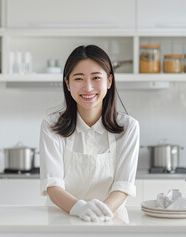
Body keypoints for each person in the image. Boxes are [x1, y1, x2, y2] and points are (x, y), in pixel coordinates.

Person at [39, 45, 140, 222]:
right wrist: (79, 209)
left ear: (109, 81)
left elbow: (123, 185)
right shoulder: (51, 126)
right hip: (61, 222)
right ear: (67, 83)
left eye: (96, 78)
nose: (88, 87)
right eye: (79, 78)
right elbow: (52, 185)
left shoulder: (128, 127)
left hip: (111, 220)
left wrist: (100, 215)